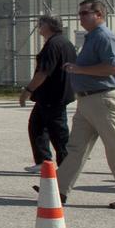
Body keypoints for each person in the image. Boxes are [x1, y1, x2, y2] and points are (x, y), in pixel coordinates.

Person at [56, 0, 115, 208]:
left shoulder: (104, 37)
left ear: (99, 15)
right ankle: (58, 191)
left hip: (103, 99)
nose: (81, 17)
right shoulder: (92, 37)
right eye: (80, 13)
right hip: (87, 100)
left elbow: (113, 67)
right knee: (76, 148)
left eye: (85, 13)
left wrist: (80, 70)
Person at [19, 15, 76, 167]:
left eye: (41, 24)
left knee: (58, 132)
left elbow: (43, 72)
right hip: (51, 95)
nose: (39, 26)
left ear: (49, 26)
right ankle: (43, 161)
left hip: (53, 96)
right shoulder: (64, 42)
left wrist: (28, 90)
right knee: (37, 126)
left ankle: (66, 165)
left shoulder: (53, 45)